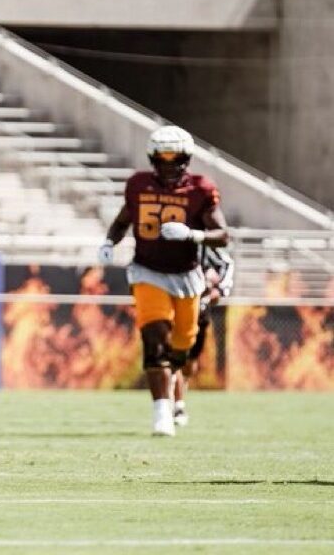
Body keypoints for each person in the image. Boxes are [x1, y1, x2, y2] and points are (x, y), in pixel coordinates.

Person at [98, 125, 229, 437]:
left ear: (186, 159)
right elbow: (122, 222)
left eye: (176, 159)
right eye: (163, 159)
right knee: (155, 339)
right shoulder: (138, 185)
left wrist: (193, 234)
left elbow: (223, 235)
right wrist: (109, 242)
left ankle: (175, 392)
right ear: (152, 159)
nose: (169, 166)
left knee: (181, 347)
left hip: (186, 275)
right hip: (147, 271)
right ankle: (162, 413)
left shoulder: (199, 189)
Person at [172, 245, 234, 426]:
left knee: (189, 365)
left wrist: (220, 289)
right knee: (175, 356)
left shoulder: (204, 246)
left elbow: (227, 264)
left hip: (199, 310)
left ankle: (178, 393)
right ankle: (177, 405)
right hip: (174, 304)